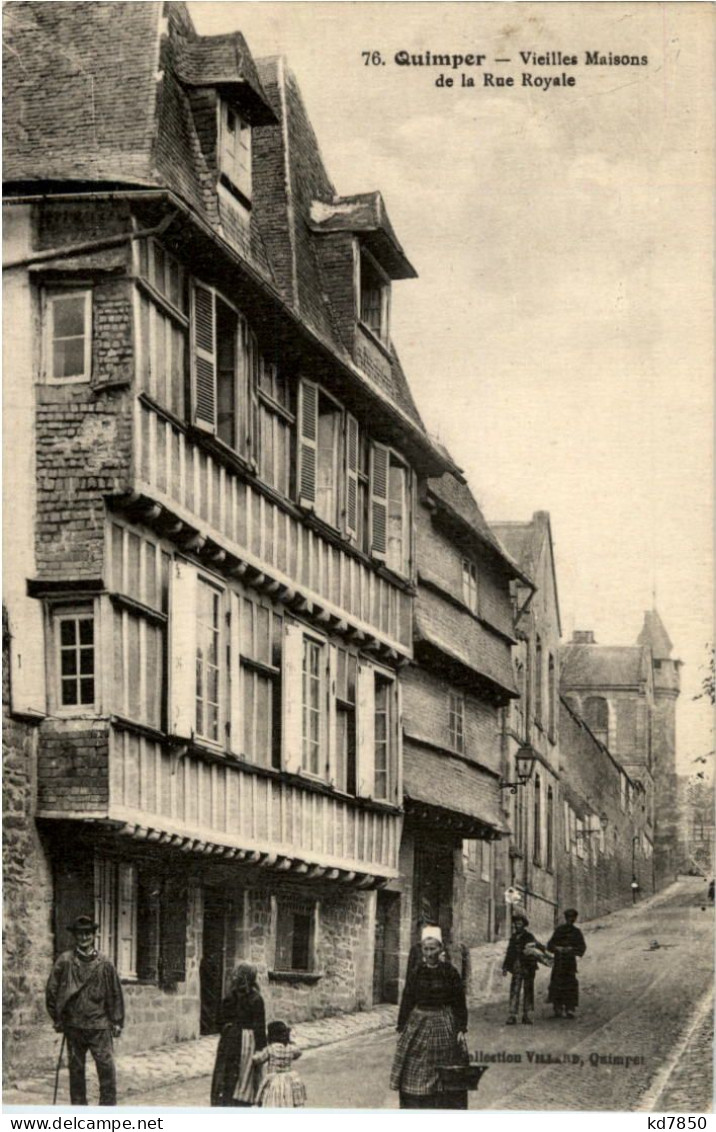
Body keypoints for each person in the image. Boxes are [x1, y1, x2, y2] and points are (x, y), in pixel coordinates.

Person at [45, 914, 124, 1106]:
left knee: (106, 1070)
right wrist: (58, 1017)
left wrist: (117, 1021)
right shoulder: (65, 961)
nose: (84, 938)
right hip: (75, 1026)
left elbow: (115, 993)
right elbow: (52, 990)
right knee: (76, 1072)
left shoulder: (105, 963)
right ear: (75, 936)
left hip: (99, 1027)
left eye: (88, 933)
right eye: (80, 934)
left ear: (94, 935)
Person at [390, 925, 469, 1109]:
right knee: (415, 1064)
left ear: (440, 948)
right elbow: (407, 999)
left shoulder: (449, 972)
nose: (429, 953)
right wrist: (401, 1027)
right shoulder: (417, 972)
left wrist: (460, 1028)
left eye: (433, 948)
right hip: (418, 1023)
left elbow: (459, 1001)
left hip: (443, 1021)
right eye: (426, 949)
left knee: (443, 1067)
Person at [210, 962, 267, 1106]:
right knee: (244, 1072)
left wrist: (228, 1029)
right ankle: (241, 1099)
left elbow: (218, 1021)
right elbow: (259, 1027)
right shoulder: (256, 999)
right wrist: (262, 1048)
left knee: (226, 1071)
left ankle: (224, 1099)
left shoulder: (229, 997)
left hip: (229, 1038)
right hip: (247, 1041)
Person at [502, 912, 543, 1025]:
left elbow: (538, 946)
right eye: (516, 923)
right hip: (517, 967)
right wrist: (505, 967)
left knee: (528, 990)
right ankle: (512, 1015)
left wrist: (545, 952)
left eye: (520, 923)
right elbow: (509, 953)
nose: (517, 925)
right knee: (515, 989)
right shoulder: (513, 938)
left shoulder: (529, 936)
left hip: (529, 967)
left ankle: (527, 1015)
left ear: (524, 925)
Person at [253, 1021, 307, 1107]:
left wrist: (254, 1053)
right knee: (288, 1098)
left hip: (274, 1079)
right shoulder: (290, 1048)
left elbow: (258, 1059)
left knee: (273, 1099)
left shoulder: (270, 1049)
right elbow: (298, 1053)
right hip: (289, 1078)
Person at [546, 908, 587, 1019]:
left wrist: (572, 949)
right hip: (559, 961)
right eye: (568, 917)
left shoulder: (576, 932)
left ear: (575, 919)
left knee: (570, 984)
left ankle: (570, 1008)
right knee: (557, 983)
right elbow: (549, 945)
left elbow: (582, 948)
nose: (570, 920)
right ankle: (557, 1007)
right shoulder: (559, 931)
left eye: (572, 918)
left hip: (570, 962)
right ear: (565, 918)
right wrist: (557, 948)